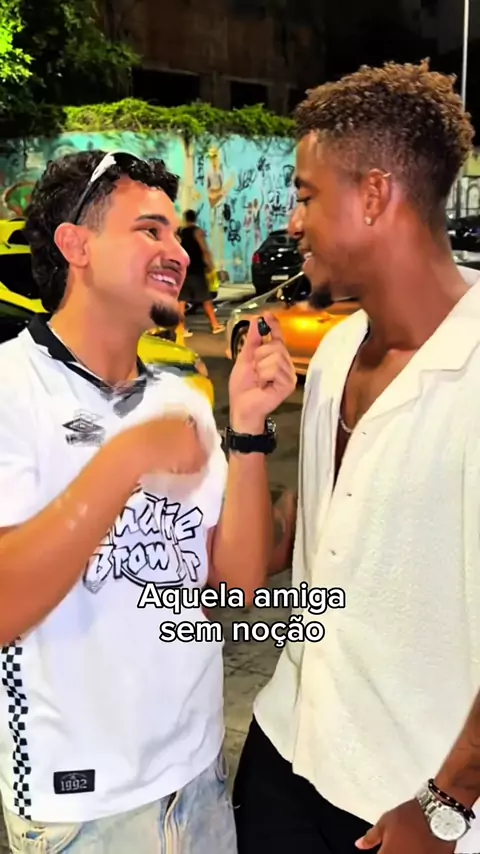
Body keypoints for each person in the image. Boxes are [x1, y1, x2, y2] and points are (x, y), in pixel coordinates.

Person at [0, 149, 296, 853]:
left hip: (197, 774)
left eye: (174, 233)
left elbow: (236, 580)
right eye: (149, 230)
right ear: (76, 244)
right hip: (80, 805)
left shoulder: (178, 397)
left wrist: (248, 430)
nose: (179, 252)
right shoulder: (12, 386)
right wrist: (125, 459)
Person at [232, 60, 480, 854]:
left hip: (404, 802)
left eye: (306, 195)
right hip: (285, 746)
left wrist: (448, 801)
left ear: (374, 196)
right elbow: (326, 534)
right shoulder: (337, 351)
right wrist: (244, 438)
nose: (293, 221)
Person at [178, 209, 224, 337]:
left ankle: (181, 328)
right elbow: (204, 249)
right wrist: (210, 265)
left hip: (184, 270)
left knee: (181, 301)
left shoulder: (180, 233)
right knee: (205, 298)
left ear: (185, 219)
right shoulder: (197, 232)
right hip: (197, 270)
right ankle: (215, 325)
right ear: (195, 218)